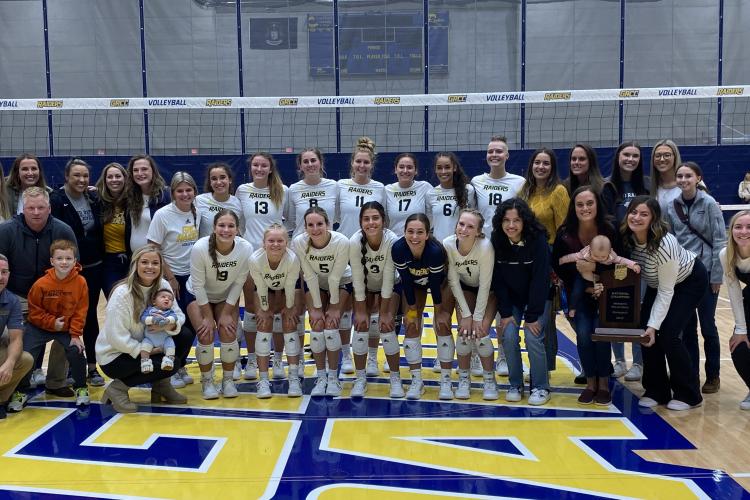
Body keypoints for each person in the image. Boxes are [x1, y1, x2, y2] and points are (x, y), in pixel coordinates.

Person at [622, 195, 705, 411]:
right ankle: (656, 390)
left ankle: (689, 394)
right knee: (645, 334)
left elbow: (667, 291)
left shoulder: (664, 244)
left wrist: (653, 325)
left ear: (654, 219)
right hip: (657, 284)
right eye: (633, 211)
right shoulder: (627, 238)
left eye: (644, 214)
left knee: (667, 333)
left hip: (688, 281)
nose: (637, 217)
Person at [95, 246, 193, 413]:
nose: (150, 267)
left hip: (149, 344)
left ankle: (161, 385)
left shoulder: (163, 285)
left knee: (185, 335)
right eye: (145, 262)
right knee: (172, 362)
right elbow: (115, 336)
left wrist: (170, 324)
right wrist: (145, 351)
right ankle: (117, 389)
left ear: (161, 266)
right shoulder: (122, 293)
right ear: (135, 265)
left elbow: (178, 315)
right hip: (115, 355)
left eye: (155, 263)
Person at [0, 187, 77, 398]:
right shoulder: (6, 231)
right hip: (17, 293)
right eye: (31, 208)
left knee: (69, 329)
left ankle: (56, 381)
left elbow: (74, 267)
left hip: (55, 294)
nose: (36, 212)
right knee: (22, 335)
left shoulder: (63, 230)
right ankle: (21, 382)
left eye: (41, 207)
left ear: (49, 208)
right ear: (22, 209)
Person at [552, 186, 617, 405]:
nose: (585, 208)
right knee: (583, 336)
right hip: (578, 295)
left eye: (589, 203)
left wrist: (601, 282)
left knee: (601, 337)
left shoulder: (610, 229)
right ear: (573, 207)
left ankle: (604, 384)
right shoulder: (564, 234)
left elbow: (620, 263)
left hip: (606, 293)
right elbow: (560, 267)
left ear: (597, 204)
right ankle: (590, 383)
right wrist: (583, 277)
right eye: (580, 204)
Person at [665, 162, 725, 393]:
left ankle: (713, 376)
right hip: (683, 274)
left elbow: (720, 240)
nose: (683, 180)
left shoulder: (709, 204)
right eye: (679, 176)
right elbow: (670, 242)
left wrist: (716, 276)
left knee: (708, 327)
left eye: (688, 176)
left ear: (698, 178)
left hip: (707, 273)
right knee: (687, 327)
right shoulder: (672, 206)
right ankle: (690, 373)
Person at [471, 135, 525, 375]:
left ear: (507, 155)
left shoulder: (520, 182)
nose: (494, 155)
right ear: (486, 155)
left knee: (504, 303)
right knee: (478, 304)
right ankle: (473, 353)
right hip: (482, 249)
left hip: (507, 250)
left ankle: (504, 356)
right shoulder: (476, 182)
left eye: (499, 151)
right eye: (491, 151)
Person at [50, 158, 106, 387]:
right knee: (70, 318)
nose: (82, 180)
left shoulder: (93, 197)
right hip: (69, 270)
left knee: (90, 316)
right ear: (66, 177)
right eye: (77, 175)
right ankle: (71, 369)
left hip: (95, 267)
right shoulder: (57, 199)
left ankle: (92, 367)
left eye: (85, 176)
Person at [236, 152, 291, 382]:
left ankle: (277, 359)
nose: (259, 168)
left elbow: (291, 221)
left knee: (276, 310)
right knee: (252, 310)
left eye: (263, 165)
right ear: (251, 168)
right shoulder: (242, 190)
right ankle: (251, 358)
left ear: (270, 168)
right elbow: (239, 223)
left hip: (278, 258)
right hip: (252, 258)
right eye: (255, 165)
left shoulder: (282, 191)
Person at [186, 209, 252, 400]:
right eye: (221, 225)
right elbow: (198, 286)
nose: (226, 230)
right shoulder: (200, 248)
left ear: (237, 229)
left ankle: (228, 380)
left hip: (225, 297)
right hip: (198, 295)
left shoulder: (245, 248)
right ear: (214, 228)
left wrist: (226, 313)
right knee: (205, 334)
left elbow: (239, 282)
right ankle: (207, 381)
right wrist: (208, 317)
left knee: (228, 331)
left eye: (231, 226)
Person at [492, 199, 551, 406]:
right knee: (507, 334)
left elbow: (541, 279)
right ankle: (515, 384)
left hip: (538, 298)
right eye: (506, 220)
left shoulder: (538, 239)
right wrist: (506, 313)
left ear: (525, 221)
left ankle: (541, 386)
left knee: (533, 336)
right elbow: (498, 280)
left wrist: (532, 316)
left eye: (516, 220)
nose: (511, 225)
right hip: (512, 300)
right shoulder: (497, 239)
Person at [17, 239, 89, 407]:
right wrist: (51, 322)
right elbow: (33, 312)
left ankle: (81, 387)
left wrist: (75, 334)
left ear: (75, 260)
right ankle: (20, 391)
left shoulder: (81, 283)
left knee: (76, 350)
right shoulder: (41, 284)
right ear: (52, 261)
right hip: (39, 326)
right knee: (26, 355)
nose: (64, 262)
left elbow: (81, 311)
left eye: (68, 258)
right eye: (59, 258)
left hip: (65, 328)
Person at [147, 171, 201, 388]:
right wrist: (169, 277)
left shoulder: (199, 212)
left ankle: (179, 365)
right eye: (180, 190)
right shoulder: (163, 215)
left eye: (189, 190)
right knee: (171, 324)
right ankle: (167, 369)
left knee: (192, 324)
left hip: (194, 275)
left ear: (194, 192)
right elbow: (153, 247)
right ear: (173, 192)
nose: (185, 194)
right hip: (171, 276)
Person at [292, 207, 352, 397]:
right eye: (310, 225)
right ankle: (321, 377)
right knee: (317, 325)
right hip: (316, 283)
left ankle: (333, 377)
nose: (315, 228)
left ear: (328, 224)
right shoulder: (299, 242)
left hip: (342, 282)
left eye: (320, 224)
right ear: (305, 227)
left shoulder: (341, 241)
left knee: (331, 325)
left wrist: (334, 307)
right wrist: (316, 309)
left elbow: (335, 278)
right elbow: (308, 276)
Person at [520, 147, 570, 372]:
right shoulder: (525, 190)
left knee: (548, 312)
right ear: (531, 165)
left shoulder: (558, 191)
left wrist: (556, 266)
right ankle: (543, 364)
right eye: (537, 162)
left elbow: (564, 231)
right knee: (536, 310)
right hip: (526, 258)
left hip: (548, 257)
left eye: (546, 163)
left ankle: (544, 366)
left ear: (552, 168)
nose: (541, 167)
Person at [392, 213, 449, 400]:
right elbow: (406, 281)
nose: (414, 237)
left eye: (419, 232)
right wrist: (412, 311)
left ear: (427, 234)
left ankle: (446, 381)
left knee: (443, 324)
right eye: (410, 232)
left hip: (440, 284)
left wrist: (439, 312)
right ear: (404, 232)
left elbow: (435, 283)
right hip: (414, 285)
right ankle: (417, 381)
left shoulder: (435, 251)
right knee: (411, 325)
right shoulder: (398, 249)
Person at [443, 209, 497, 400]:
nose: (464, 229)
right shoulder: (448, 244)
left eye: (470, 226)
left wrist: (477, 317)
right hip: (465, 288)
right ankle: (464, 378)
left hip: (489, 290)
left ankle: (490, 380)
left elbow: (485, 285)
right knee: (465, 333)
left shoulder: (485, 246)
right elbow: (454, 281)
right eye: (461, 224)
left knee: (480, 332)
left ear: (479, 232)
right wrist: (466, 315)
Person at [348, 202, 401, 397]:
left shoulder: (392, 239)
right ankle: (361, 377)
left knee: (386, 326)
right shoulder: (354, 241)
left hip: (391, 286)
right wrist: (361, 311)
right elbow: (358, 279)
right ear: (360, 222)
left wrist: (385, 312)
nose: (371, 223)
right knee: (361, 325)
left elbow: (388, 278)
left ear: (384, 221)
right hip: (365, 286)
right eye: (366, 219)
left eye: (375, 218)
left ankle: (395, 378)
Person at [608, 141, 649, 379]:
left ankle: (639, 363)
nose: (630, 159)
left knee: (638, 310)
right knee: (614, 309)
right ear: (618, 157)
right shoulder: (609, 185)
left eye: (635, 156)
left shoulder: (646, 185)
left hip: (641, 255)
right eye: (626, 155)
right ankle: (619, 361)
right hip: (614, 257)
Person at [248, 223, 303, 398]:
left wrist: (289, 308)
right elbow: (261, 289)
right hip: (265, 289)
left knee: (289, 322)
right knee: (264, 323)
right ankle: (263, 380)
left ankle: (293, 377)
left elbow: (289, 287)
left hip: (288, 288)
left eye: (280, 240)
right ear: (263, 243)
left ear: (287, 243)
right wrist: (264, 309)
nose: (275, 244)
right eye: (271, 240)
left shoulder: (293, 259)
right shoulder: (255, 259)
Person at [558, 235, 640, 317]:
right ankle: (573, 308)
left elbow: (622, 260)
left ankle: (601, 310)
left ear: (609, 252)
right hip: (584, 276)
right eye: (596, 256)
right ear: (590, 250)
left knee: (602, 292)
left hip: (598, 277)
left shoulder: (611, 256)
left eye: (603, 257)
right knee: (577, 290)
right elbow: (573, 256)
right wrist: (562, 260)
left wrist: (633, 265)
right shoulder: (586, 253)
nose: (599, 259)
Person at [720, 210, 750, 409]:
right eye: (738, 227)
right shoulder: (726, 254)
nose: (743, 231)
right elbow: (733, 292)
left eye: (749, 227)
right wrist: (741, 329)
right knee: (739, 348)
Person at [0, 254, 34, 417]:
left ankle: (1, 400)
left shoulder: (11, 301)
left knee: (25, 360)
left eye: (4, 272)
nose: (1, 276)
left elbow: (16, 338)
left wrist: (9, 363)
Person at [336, 137, 385, 238]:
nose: (362, 165)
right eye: (358, 161)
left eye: (366, 162)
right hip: (345, 242)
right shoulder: (340, 185)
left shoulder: (380, 188)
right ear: (352, 163)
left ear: (372, 165)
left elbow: (383, 219)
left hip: (370, 244)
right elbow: (336, 216)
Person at [95, 162, 130, 298]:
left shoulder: (134, 201)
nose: (114, 180)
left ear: (125, 178)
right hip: (109, 262)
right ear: (105, 180)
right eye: (110, 177)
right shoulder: (99, 201)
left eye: (118, 176)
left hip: (132, 259)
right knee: (115, 301)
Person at [287, 148, 338, 238]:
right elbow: (291, 221)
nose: (310, 164)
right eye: (306, 162)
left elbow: (335, 218)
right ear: (300, 166)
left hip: (327, 243)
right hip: (301, 244)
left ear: (320, 162)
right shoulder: (293, 189)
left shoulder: (333, 186)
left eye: (313, 160)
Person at [125, 154, 170, 255]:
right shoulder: (130, 196)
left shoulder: (166, 196)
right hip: (135, 258)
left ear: (153, 171)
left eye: (144, 169)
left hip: (159, 258)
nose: (140, 173)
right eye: (135, 170)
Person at [426, 152, 475, 242]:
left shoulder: (468, 190)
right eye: (439, 168)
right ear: (435, 170)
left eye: (447, 167)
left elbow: (474, 218)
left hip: (462, 245)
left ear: (454, 168)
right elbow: (430, 223)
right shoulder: (431, 194)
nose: (443, 171)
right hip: (439, 246)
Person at [385, 154, 431, 237]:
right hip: (394, 243)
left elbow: (432, 213)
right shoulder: (387, 190)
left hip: (418, 241)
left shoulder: (425, 187)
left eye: (409, 167)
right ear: (396, 169)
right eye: (401, 167)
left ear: (415, 170)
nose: (405, 171)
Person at [564, 144, 616, 217]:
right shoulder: (565, 187)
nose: (576, 162)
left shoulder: (604, 188)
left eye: (582, 159)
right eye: (573, 159)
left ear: (591, 162)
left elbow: (610, 221)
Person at [195, 162, 243, 238]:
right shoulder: (199, 201)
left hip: (229, 249)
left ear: (230, 180)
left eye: (222, 177)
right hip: (205, 249)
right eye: (214, 179)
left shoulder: (238, 203)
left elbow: (241, 230)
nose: (218, 182)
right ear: (210, 182)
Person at [139, 289, 178, 373]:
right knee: (144, 347)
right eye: (163, 297)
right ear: (154, 301)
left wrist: (168, 320)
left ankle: (168, 360)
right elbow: (143, 318)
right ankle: (145, 362)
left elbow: (175, 318)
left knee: (171, 347)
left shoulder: (169, 312)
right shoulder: (150, 310)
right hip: (150, 338)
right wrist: (152, 319)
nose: (167, 299)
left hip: (165, 339)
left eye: (170, 299)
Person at [650, 139, 682, 212]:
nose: (662, 159)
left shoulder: (691, 183)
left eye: (667, 155)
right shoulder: (649, 187)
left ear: (675, 157)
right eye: (657, 156)